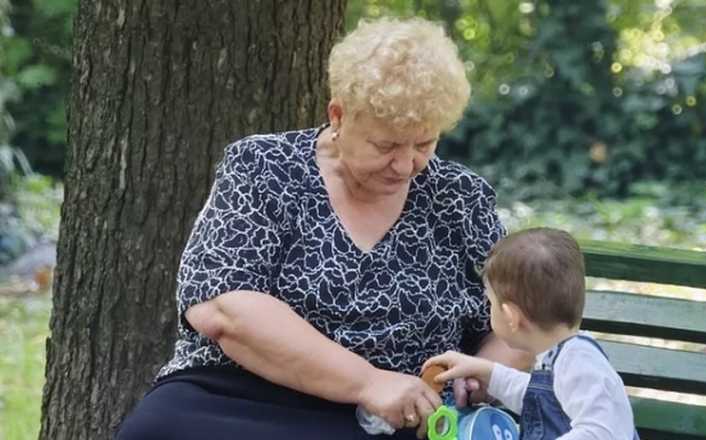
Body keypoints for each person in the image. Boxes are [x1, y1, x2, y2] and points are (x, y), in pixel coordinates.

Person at [117, 17, 531, 440]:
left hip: (401, 419)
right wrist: (368, 382)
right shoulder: (263, 168)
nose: (406, 166)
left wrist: (482, 380)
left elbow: (515, 323)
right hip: (245, 395)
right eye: (386, 146)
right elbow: (224, 309)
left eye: (424, 144)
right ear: (339, 115)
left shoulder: (459, 198)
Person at [425, 228, 639, 440]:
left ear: (511, 316)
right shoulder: (559, 358)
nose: (489, 309)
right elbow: (539, 400)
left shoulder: (580, 362)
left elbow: (601, 432)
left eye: (490, 303)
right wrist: (487, 371)